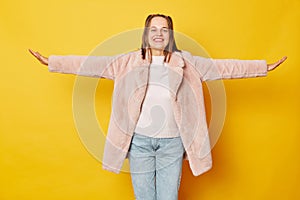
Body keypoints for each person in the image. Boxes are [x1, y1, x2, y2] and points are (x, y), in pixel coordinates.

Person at [29, 13, 287, 200]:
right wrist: (53, 61)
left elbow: (226, 67)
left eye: (164, 29)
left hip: (172, 144)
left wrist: (263, 67)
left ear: (170, 35)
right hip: (139, 143)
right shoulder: (128, 62)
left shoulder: (187, 63)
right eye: (154, 29)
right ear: (146, 34)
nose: (159, 33)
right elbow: (90, 64)